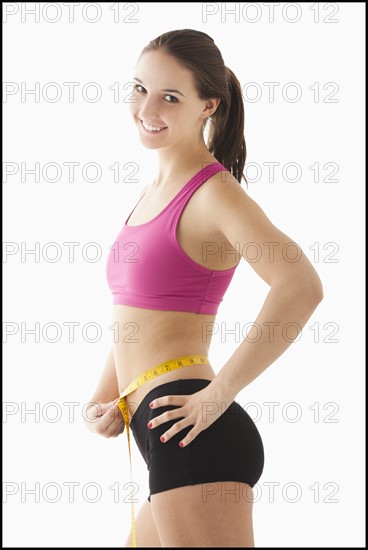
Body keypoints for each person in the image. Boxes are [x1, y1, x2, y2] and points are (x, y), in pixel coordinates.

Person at [84, 29, 324, 547]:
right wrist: (108, 397)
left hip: (193, 427)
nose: (148, 107)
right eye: (140, 88)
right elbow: (138, 314)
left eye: (171, 96)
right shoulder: (152, 193)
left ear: (207, 105)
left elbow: (300, 286)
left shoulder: (215, 193)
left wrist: (221, 394)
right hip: (161, 426)